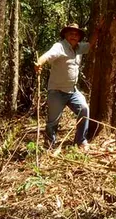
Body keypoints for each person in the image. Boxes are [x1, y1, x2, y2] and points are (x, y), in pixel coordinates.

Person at [34, 22, 101, 151]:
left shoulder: (78, 48)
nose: (73, 36)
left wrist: (97, 31)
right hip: (56, 91)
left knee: (84, 109)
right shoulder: (60, 46)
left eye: (76, 34)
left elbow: (90, 44)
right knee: (53, 121)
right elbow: (48, 55)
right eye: (71, 33)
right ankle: (49, 145)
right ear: (65, 35)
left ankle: (80, 140)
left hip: (72, 90)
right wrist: (39, 63)